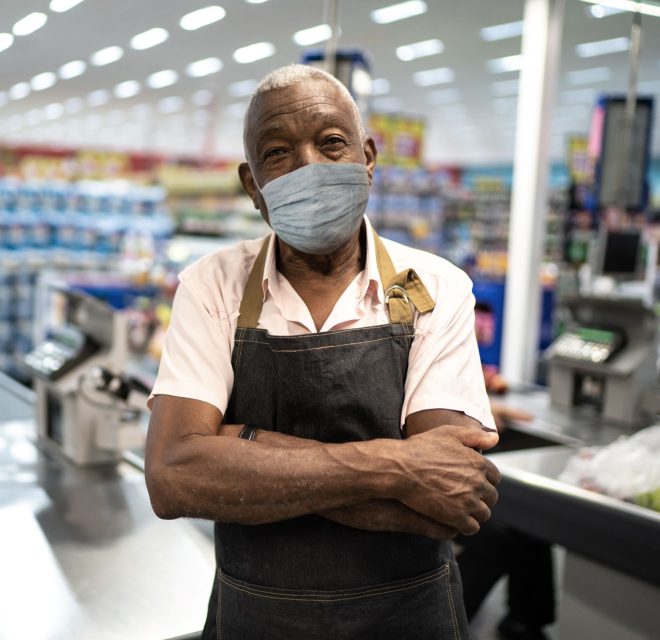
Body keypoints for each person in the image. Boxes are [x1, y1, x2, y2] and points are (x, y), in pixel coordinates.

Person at [145, 64, 501, 640]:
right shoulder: (211, 286)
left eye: (331, 143)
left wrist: (241, 449)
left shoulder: (435, 286)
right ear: (252, 184)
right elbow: (173, 478)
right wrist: (396, 465)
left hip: (408, 619)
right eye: (279, 153)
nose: (309, 165)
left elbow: (445, 500)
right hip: (258, 619)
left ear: (367, 158)